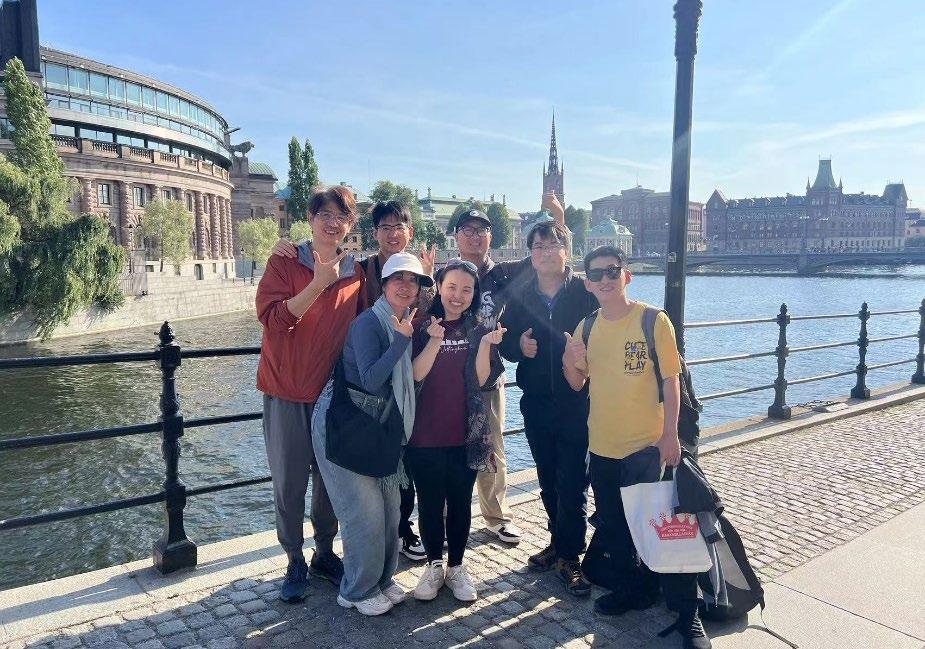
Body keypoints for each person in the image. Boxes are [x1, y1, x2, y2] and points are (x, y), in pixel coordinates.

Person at [562, 246, 710, 649]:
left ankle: (688, 614)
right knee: (615, 526)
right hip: (604, 447)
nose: (605, 279)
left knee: (671, 528)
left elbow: (670, 381)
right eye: (596, 274)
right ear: (588, 284)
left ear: (625, 275)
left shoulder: (652, 320)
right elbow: (576, 383)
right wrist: (570, 359)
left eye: (612, 271)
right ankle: (633, 590)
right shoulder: (586, 327)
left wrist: (670, 435)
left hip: (648, 446)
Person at [272, 201, 434, 562]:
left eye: (399, 227)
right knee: (305, 477)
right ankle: (304, 557)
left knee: (390, 466)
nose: (392, 234)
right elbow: (361, 326)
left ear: (409, 232)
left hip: (394, 384)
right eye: (385, 227)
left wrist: (428, 281)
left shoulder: (411, 272)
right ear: (374, 233)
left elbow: (423, 314)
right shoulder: (359, 269)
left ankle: (382, 537)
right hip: (348, 386)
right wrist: (289, 247)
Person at [255, 185, 366, 602]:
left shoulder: (356, 272)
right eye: (325, 215)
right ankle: (293, 559)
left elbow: (374, 318)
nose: (332, 223)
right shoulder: (284, 261)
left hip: (330, 395)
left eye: (341, 216)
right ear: (310, 219)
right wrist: (318, 284)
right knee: (289, 483)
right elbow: (272, 320)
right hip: (286, 390)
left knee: (328, 481)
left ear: (350, 225)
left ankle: (323, 552)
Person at [311, 252, 434, 616]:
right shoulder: (369, 323)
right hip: (346, 424)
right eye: (398, 279)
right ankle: (356, 590)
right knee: (362, 513)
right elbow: (370, 378)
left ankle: (381, 579)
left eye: (413, 281)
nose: (406, 286)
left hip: (378, 426)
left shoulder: (404, 320)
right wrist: (400, 342)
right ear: (383, 284)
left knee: (389, 510)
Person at [449, 195, 567, 545]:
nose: (475, 236)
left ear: (491, 236)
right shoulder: (446, 273)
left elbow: (545, 256)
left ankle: (497, 517)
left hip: (489, 375)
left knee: (493, 448)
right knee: (447, 449)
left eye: (482, 230)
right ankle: (445, 520)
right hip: (449, 375)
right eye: (468, 230)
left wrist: (558, 221)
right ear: (456, 236)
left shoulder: (503, 274)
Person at [497, 220, 598, 598]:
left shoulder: (585, 292)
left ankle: (571, 556)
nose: (544, 253)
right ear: (531, 255)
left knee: (573, 481)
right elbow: (504, 341)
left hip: (578, 402)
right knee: (548, 477)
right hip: (537, 402)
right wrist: (517, 348)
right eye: (537, 247)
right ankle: (558, 542)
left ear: (566, 251)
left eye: (552, 245)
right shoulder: (522, 295)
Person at [408, 260, 505, 602]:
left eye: (467, 289)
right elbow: (415, 374)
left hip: (465, 435)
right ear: (439, 286)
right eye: (451, 287)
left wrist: (486, 344)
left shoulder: (476, 328)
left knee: (461, 502)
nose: (458, 295)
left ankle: (456, 567)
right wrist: (434, 341)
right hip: (423, 435)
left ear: (474, 294)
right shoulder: (420, 325)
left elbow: (480, 380)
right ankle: (434, 565)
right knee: (430, 503)